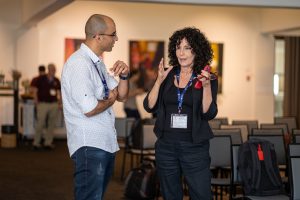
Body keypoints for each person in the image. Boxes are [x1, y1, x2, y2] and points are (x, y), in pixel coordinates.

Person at [143, 27, 218, 200]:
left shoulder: (206, 77)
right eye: (178, 47)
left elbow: (209, 114)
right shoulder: (168, 74)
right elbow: (149, 106)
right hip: (166, 147)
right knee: (170, 195)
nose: (181, 53)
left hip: (195, 148)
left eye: (187, 48)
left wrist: (206, 87)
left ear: (197, 50)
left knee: (201, 194)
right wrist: (158, 81)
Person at [61, 14, 129, 200]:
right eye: (113, 34)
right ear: (98, 36)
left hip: (104, 142)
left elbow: (121, 95)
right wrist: (110, 99)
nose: (116, 38)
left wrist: (124, 76)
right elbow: (90, 108)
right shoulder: (79, 64)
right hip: (89, 144)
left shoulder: (96, 63)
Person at [31, 63, 61, 150]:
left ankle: (48, 142)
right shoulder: (41, 79)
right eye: (52, 69)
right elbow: (35, 90)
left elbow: (59, 92)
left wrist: (59, 102)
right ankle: (36, 143)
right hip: (43, 104)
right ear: (48, 70)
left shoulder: (56, 80)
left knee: (51, 124)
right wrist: (36, 100)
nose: (53, 71)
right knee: (40, 123)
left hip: (54, 104)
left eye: (54, 70)